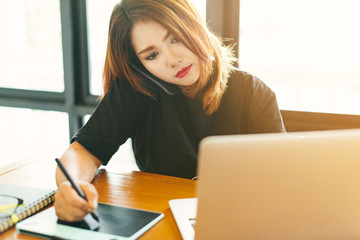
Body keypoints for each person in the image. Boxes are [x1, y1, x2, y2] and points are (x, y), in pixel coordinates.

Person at [54, 0, 286, 221]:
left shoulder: (253, 92)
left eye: (175, 38)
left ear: (193, 24)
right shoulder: (138, 90)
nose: (173, 60)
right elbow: (82, 151)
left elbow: (282, 176)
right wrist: (69, 186)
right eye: (152, 55)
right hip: (161, 216)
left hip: (238, 217)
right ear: (140, 64)